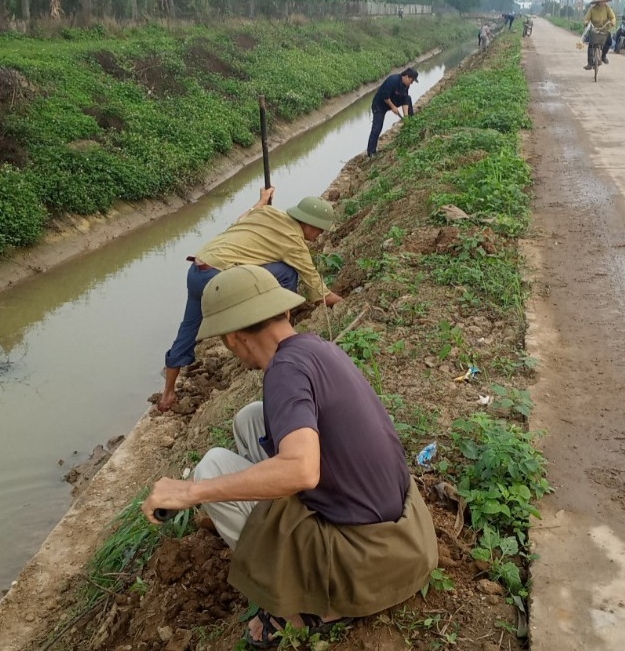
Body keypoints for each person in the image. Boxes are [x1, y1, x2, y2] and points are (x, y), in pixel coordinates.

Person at [143, 265, 438, 647]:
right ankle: (282, 543)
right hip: (405, 534)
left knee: (211, 468)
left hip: (366, 561)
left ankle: (299, 609)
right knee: (251, 418)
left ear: (233, 340)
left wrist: (190, 493)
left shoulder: (284, 372)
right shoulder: (315, 348)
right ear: (283, 312)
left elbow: (301, 470)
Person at [158, 188, 343, 412]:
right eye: (319, 232)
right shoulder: (294, 241)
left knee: (188, 328)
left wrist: (262, 200)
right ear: (310, 225)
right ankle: (273, 329)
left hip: (198, 269)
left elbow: (243, 218)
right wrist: (344, 303)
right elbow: (317, 288)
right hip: (220, 277)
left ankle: (167, 395)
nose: (318, 237)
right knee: (287, 272)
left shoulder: (267, 213)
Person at [366, 67, 418, 157]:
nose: (411, 83)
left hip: (394, 100)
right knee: (377, 127)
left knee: (408, 98)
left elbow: (405, 99)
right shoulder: (392, 80)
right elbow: (385, 97)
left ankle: (411, 122)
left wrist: (405, 116)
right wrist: (393, 107)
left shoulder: (406, 85)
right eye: (411, 80)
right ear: (406, 76)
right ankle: (371, 152)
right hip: (380, 104)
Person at [583, 0, 616, 69]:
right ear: (597, 1)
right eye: (601, 1)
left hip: (604, 29)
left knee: (609, 42)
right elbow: (586, 19)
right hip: (594, 29)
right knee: (591, 44)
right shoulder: (592, 9)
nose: (602, 2)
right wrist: (586, 23)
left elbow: (613, 17)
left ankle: (603, 55)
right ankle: (590, 63)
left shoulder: (607, 8)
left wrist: (612, 22)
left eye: (604, 1)